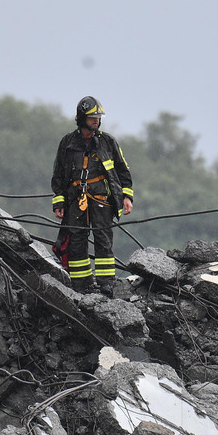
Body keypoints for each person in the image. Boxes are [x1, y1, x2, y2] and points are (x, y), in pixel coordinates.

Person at [51, 96, 134, 296]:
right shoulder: (67, 142)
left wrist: (126, 197)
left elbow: (123, 171)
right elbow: (59, 174)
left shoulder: (108, 142)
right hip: (75, 200)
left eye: (98, 117)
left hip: (101, 199)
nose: (96, 120)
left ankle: (106, 284)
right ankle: (81, 284)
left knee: (103, 239)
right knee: (77, 240)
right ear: (81, 118)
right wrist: (59, 201)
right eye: (92, 117)